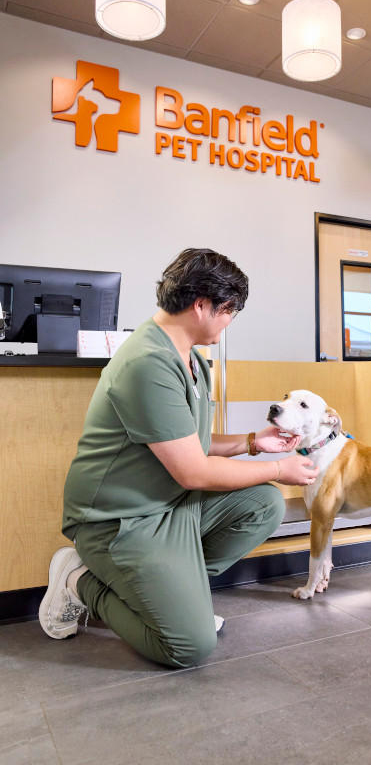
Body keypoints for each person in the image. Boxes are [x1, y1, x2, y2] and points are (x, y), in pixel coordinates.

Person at [39, 248, 319, 667]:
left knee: (263, 504)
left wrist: (252, 443)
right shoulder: (148, 363)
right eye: (229, 311)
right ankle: (79, 581)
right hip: (119, 519)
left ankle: (174, 595)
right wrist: (279, 468)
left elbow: (189, 442)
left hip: (168, 505)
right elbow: (193, 471)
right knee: (188, 645)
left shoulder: (192, 360)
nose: (230, 321)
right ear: (201, 305)